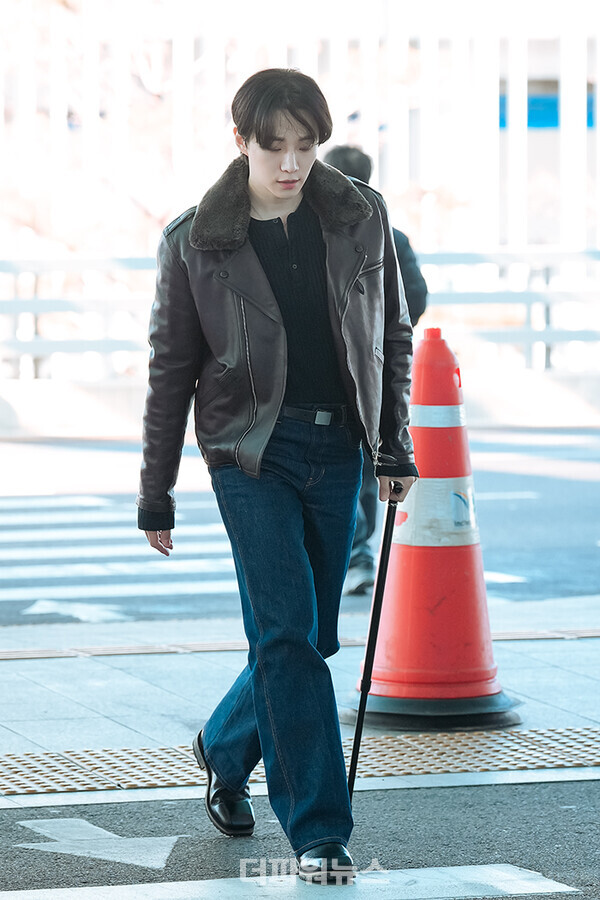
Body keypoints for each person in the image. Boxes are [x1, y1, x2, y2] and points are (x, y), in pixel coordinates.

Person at [137, 69, 418, 885]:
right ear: (241, 142)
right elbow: (170, 372)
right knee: (290, 637)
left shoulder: (359, 216)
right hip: (247, 456)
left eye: (305, 145)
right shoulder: (197, 240)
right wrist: (157, 492)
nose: (292, 163)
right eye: (275, 146)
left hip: (340, 454)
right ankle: (320, 833)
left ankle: (223, 745)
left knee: (309, 637)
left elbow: (391, 338)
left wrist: (393, 448)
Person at [323, 145, 427, 596]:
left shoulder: (323, 231)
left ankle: (354, 553)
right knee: (364, 463)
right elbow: (416, 299)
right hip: (378, 370)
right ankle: (356, 553)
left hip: (336, 370)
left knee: (350, 462)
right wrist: (383, 336)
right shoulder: (393, 235)